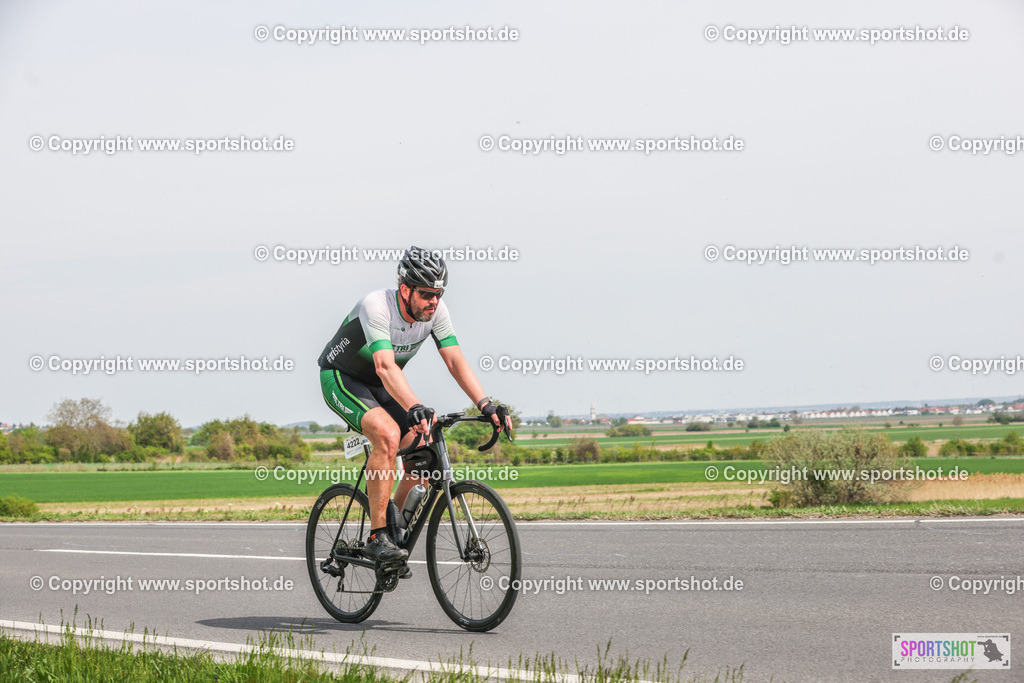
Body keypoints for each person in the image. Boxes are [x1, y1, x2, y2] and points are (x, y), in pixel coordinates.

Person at [317, 246, 510, 566]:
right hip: (342, 378)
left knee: (424, 451)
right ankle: (378, 537)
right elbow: (384, 366)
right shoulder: (375, 306)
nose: (433, 301)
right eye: (426, 294)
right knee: (388, 435)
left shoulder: (437, 311)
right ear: (405, 290)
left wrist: (485, 403)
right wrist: (416, 405)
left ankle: (394, 530)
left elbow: (454, 359)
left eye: (438, 293)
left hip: (383, 387)